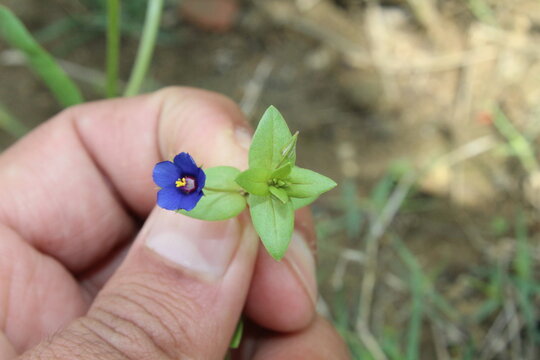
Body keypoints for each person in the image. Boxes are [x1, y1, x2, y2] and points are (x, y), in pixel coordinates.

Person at [0, 87, 350, 359]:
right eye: (185, 181)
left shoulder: (241, 185)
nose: (187, 183)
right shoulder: (201, 185)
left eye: (188, 181)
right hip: (218, 188)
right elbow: (231, 185)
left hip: (233, 186)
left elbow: (254, 199)